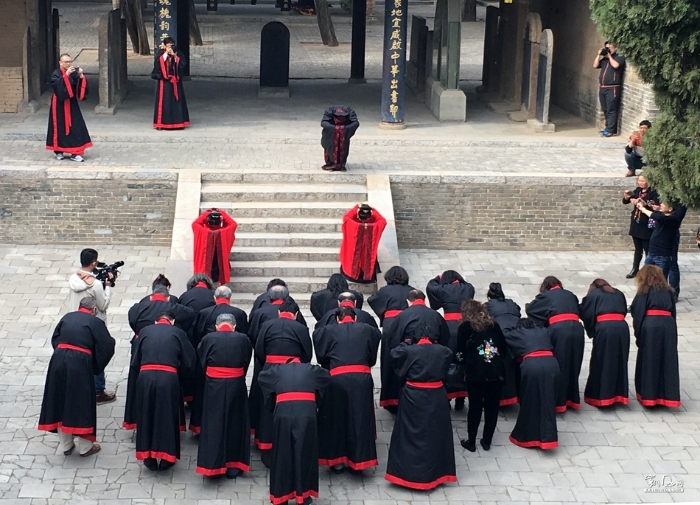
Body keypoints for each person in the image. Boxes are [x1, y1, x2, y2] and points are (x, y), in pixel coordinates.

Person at [38, 298, 115, 457]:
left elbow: (55, 339)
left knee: (60, 400)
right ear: (93, 310)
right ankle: (85, 447)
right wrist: (94, 366)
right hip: (79, 363)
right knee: (81, 401)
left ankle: (66, 445)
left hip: (58, 361)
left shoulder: (67, 317)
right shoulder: (96, 322)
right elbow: (107, 345)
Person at [385, 328, 456, 490]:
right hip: (436, 396)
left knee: (408, 435)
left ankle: (407, 475)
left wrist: (407, 343)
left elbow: (394, 353)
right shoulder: (443, 351)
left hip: (413, 395)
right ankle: (435, 475)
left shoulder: (409, 351)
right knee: (435, 435)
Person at [313, 306, 381, 473]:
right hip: (361, 380)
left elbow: (322, 357)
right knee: (359, 419)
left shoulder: (326, 331)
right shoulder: (369, 330)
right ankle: (360, 460)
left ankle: (337, 460)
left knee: (336, 420)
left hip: (337, 379)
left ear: (338, 319)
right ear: (355, 318)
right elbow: (371, 358)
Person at [128, 311, 196, 470]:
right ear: (172, 322)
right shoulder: (179, 333)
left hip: (145, 377)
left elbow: (135, 360)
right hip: (168, 378)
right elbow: (189, 362)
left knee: (146, 415)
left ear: (156, 321)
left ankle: (148, 457)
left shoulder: (144, 332)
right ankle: (167, 457)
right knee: (167, 416)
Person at [258, 359, 330, 505]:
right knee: (305, 452)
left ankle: (281, 496)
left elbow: (261, 378)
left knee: (282, 453)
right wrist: (317, 397)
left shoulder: (277, 370)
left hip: (283, 412)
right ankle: (303, 496)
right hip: (306, 413)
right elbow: (327, 376)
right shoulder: (311, 369)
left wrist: (272, 401)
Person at [124, 284, 196, 428]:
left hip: (142, 347)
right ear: (168, 298)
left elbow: (132, 322)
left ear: (151, 296)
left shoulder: (137, 308)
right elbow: (190, 315)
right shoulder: (174, 308)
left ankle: (139, 419)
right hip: (167, 352)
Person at [251, 300, 312, 460]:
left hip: (270, 369)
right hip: (293, 371)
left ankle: (266, 446)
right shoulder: (301, 328)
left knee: (267, 408)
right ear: (296, 314)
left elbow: (259, 350)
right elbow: (307, 354)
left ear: (279, 312)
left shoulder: (267, 325)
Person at [195, 314, 252, 478]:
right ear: (234, 326)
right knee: (236, 422)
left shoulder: (208, 338)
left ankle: (213, 464)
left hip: (214, 384)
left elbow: (202, 361)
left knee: (213, 422)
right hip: (236, 384)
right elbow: (246, 360)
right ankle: (234, 464)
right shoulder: (243, 338)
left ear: (216, 326)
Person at [526, 276, 585, 413]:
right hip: (577, 329)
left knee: (559, 364)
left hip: (559, 330)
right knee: (573, 363)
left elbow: (531, 310)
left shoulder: (546, 296)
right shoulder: (571, 295)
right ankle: (572, 399)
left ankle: (558, 401)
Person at [457, 300, 507, 452]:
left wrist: (463, 364)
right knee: (492, 409)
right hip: (495, 373)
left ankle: (471, 442)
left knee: (475, 408)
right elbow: (503, 348)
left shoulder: (465, 328)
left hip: (475, 374)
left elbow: (460, 353)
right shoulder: (494, 325)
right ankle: (487, 441)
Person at [67, 248, 116, 405]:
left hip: (75, 322)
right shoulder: (95, 284)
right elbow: (103, 305)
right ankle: (98, 391)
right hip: (93, 325)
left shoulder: (74, 278)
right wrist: (108, 287)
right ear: (94, 262)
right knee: (97, 355)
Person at [504, 319, 560, 450]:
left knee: (530, 400)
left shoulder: (518, 333)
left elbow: (505, 334)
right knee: (548, 400)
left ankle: (529, 437)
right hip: (552, 364)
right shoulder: (543, 330)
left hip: (533, 366)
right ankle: (548, 437)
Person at [630, 265, 680, 407]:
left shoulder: (644, 292)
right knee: (667, 360)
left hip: (650, 326)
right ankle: (667, 396)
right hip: (668, 326)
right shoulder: (669, 291)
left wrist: (638, 334)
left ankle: (649, 396)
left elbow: (637, 312)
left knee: (649, 360)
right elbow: (673, 314)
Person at [426, 270, 475, 409]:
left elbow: (430, 286)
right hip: (465, 325)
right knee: (464, 361)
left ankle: (447, 397)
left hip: (448, 326)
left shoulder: (442, 288)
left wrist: (438, 277)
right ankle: (461, 398)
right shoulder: (468, 288)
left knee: (447, 361)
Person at [367, 266, 414, 412]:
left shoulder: (385, 291)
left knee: (388, 361)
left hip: (390, 326)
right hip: (407, 326)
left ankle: (389, 399)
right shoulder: (411, 290)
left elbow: (372, 300)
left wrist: (384, 313)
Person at [579, 279, 630, 407]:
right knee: (619, 361)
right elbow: (623, 310)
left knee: (601, 361)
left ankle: (600, 396)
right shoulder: (619, 293)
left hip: (605, 328)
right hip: (622, 329)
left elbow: (585, 312)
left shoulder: (594, 295)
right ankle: (618, 396)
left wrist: (592, 330)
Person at [46, 53, 92, 162]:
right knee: (58, 126)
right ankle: (58, 151)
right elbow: (57, 87)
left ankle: (75, 153)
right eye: (66, 62)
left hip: (71, 103)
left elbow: (78, 91)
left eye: (70, 61)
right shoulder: (56, 73)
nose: (68, 64)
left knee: (76, 126)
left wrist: (81, 76)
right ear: (60, 62)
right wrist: (65, 75)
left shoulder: (74, 73)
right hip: (59, 104)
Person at [484, 282, 521, 406]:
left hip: (501, 337)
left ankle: (501, 398)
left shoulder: (487, 306)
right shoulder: (511, 303)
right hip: (517, 335)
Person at [637, 200, 685, 282]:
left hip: (662, 256)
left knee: (660, 281)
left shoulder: (673, 220)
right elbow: (655, 213)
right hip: (651, 253)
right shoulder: (662, 214)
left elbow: (657, 217)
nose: (661, 204)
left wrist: (643, 209)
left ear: (670, 209)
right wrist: (646, 205)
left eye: (664, 203)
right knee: (646, 277)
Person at [339, 203, 387, 282]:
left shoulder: (351, 224)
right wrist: (373, 210)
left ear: (359, 214)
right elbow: (382, 221)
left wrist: (356, 207)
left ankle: (352, 275)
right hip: (367, 253)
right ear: (369, 215)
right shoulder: (376, 226)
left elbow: (346, 217)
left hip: (354, 253)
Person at [622, 176, 659, 278]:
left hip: (646, 224)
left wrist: (643, 203)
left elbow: (655, 206)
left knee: (648, 249)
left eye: (643, 181)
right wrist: (627, 197)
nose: (641, 183)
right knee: (638, 248)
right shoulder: (638, 191)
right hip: (636, 223)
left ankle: (650, 271)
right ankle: (635, 269)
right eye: (639, 180)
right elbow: (626, 201)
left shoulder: (653, 192)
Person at [152, 37, 190, 130]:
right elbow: (158, 64)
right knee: (164, 103)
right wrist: (166, 54)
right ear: (164, 45)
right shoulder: (161, 54)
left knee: (177, 102)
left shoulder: (178, 53)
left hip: (175, 82)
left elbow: (182, 65)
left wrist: (175, 56)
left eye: (171, 45)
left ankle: (179, 123)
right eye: (168, 45)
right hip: (164, 83)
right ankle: (161, 124)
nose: (170, 47)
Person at [192, 208, 237, 285]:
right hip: (219, 273)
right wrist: (222, 213)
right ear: (220, 221)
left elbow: (195, 223)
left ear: (208, 220)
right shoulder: (225, 233)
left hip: (204, 273)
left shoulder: (202, 232)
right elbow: (233, 224)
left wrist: (206, 213)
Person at [593, 41, 625, 137]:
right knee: (605, 109)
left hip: (612, 88)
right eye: (607, 47)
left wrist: (610, 56)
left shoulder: (619, 58)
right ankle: (607, 127)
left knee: (611, 109)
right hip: (602, 87)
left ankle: (611, 130)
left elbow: (616, 65)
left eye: (610, 47)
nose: (608, 49)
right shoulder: (604, 60)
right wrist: (599, 55)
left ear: (615, 48)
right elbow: (595, 65)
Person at [320, 105, 360, 171]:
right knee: (330, 148)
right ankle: (331, 163)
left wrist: (344, 129)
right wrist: (335, 128)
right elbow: (323, 122)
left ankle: (341, 164)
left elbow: (355, 123)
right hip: (331, 135)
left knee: (343, 149)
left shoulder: (350, 111)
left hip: (344, 135)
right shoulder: (329, 111)